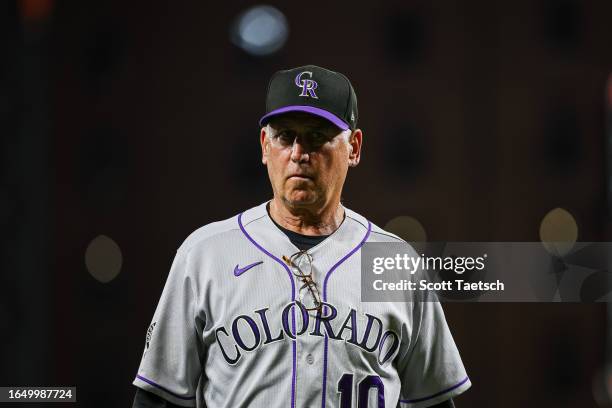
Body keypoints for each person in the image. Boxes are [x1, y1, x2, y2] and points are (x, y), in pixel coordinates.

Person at [132, 65, 470, 408]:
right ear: (265, 145)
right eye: (284, 136)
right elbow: (157, 398)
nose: (298, 153)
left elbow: (434, 400)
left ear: (353, 148)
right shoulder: (205, 254)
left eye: (317, 136)